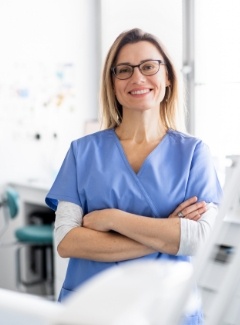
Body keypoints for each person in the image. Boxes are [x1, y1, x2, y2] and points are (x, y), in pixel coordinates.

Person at [45, 28, 222, 324]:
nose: (137, 78)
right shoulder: (82, 151)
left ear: (168, 77)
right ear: (112, 84)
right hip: (92, 307)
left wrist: (113, 219)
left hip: (167, 307)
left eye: (149, 66)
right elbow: (67, 241)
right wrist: (168, 232)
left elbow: (200, 239)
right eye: (124, 70)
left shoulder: (194, 153)